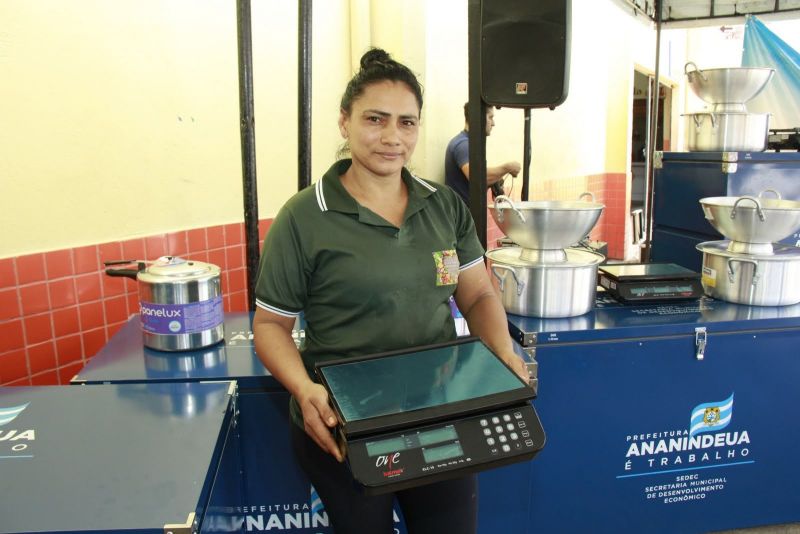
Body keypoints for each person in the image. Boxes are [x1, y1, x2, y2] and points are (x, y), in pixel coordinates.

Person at [252, 48, 529, 534]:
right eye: (375, 120)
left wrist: (501, 350)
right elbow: (271, 326)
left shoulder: (443, 205)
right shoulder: (303, 217)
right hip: (347, 426)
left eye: (407, 123)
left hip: (439, 411)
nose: (391, 137)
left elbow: (479, 295)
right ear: (344, 122)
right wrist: (304, 390)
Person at [444, 103, 522, 205]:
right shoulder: (463, 145)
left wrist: (495, 178)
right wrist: (507, 168)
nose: (493, 123)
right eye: (490, 117)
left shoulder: (472, 143)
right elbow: (477, 178)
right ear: (476, 117)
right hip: (461, 216)